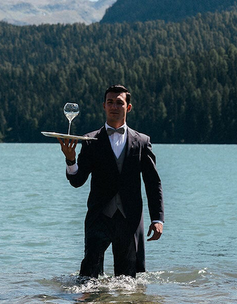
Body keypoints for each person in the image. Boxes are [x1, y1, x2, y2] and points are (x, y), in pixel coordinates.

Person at [59, 85, 163, 282]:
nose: (114, 106)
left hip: (130, 219)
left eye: (119, 102)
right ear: (104, 106)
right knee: (88, 279)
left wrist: (157, 219)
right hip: (99, 218)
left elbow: (153, 183)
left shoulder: (142, 141)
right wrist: (70, 160)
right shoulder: (90, 140)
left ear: (128, 107)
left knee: (128, 282)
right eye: (110, 102)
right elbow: (77, 181)